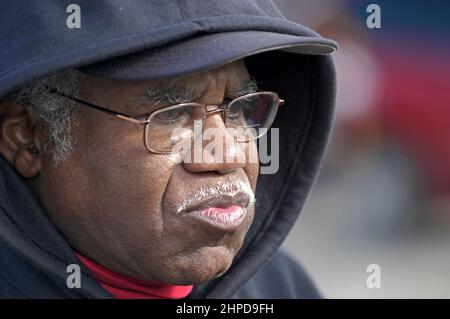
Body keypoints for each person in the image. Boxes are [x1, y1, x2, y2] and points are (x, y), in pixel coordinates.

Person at [0, 0, 336, 298]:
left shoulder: (278, 284)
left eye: (240, 109)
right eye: (172, 116)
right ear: (28, 136)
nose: (229, 155)